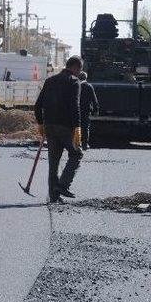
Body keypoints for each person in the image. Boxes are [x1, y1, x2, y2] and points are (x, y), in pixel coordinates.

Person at [34, 56, 84, 204]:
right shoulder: (74, 82)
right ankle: (63, 185)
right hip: (65, 127)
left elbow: (38, 105)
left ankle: (54, 196)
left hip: (49, 126)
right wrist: (77, 127)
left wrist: (41, 124)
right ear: (75, 67)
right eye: (80, 69)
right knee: (76, 154)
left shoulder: (50, 80)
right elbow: (75, 106)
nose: (80, 72)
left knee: (53, 162)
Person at [78, 71, 99, 150]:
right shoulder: (89, 86)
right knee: (85, 128)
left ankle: (77, 142)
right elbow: (94, 99)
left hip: (77, 109)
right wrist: (96, 110)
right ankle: (84, 144)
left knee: (77, 126)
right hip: (86, 110)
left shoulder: (76, 85)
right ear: (86, 78)